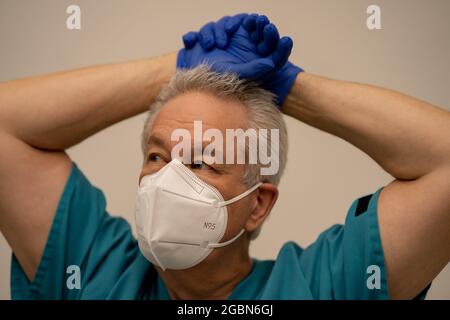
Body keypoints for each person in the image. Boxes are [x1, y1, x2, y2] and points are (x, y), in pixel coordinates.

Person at [0, 14, 449, 300]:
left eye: (203, 163)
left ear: (257, 204)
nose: (167, 179)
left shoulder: (324, 287)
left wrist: (289, 85)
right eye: (156, 157)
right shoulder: (91, 269)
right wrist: (179, 66)